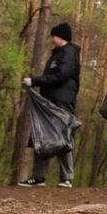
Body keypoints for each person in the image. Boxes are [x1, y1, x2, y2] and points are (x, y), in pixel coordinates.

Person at [18, 22, 80, 188]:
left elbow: (61, 75)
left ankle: (67, 178)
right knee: (43, 134)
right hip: (50, 100)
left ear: (61, 37)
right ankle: (39, 176)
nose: (52, 39)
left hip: (62, 101)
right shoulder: (57, 55)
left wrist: (35, 80)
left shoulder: (69, 53)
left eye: (55, 36)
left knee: (63, 136)